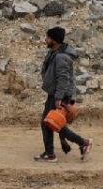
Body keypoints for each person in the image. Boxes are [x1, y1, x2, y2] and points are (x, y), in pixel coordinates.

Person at [34, 26, 92, 163]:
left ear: (54, 40)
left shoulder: (61, 57)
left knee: (50, 123)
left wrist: (59, 98)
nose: (45, 40)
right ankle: (81, 144)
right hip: (54, 93)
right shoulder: (54, 52)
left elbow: (63, 78)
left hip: (59, 95)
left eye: (47, 38)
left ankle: (80, 144)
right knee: (51, 123)